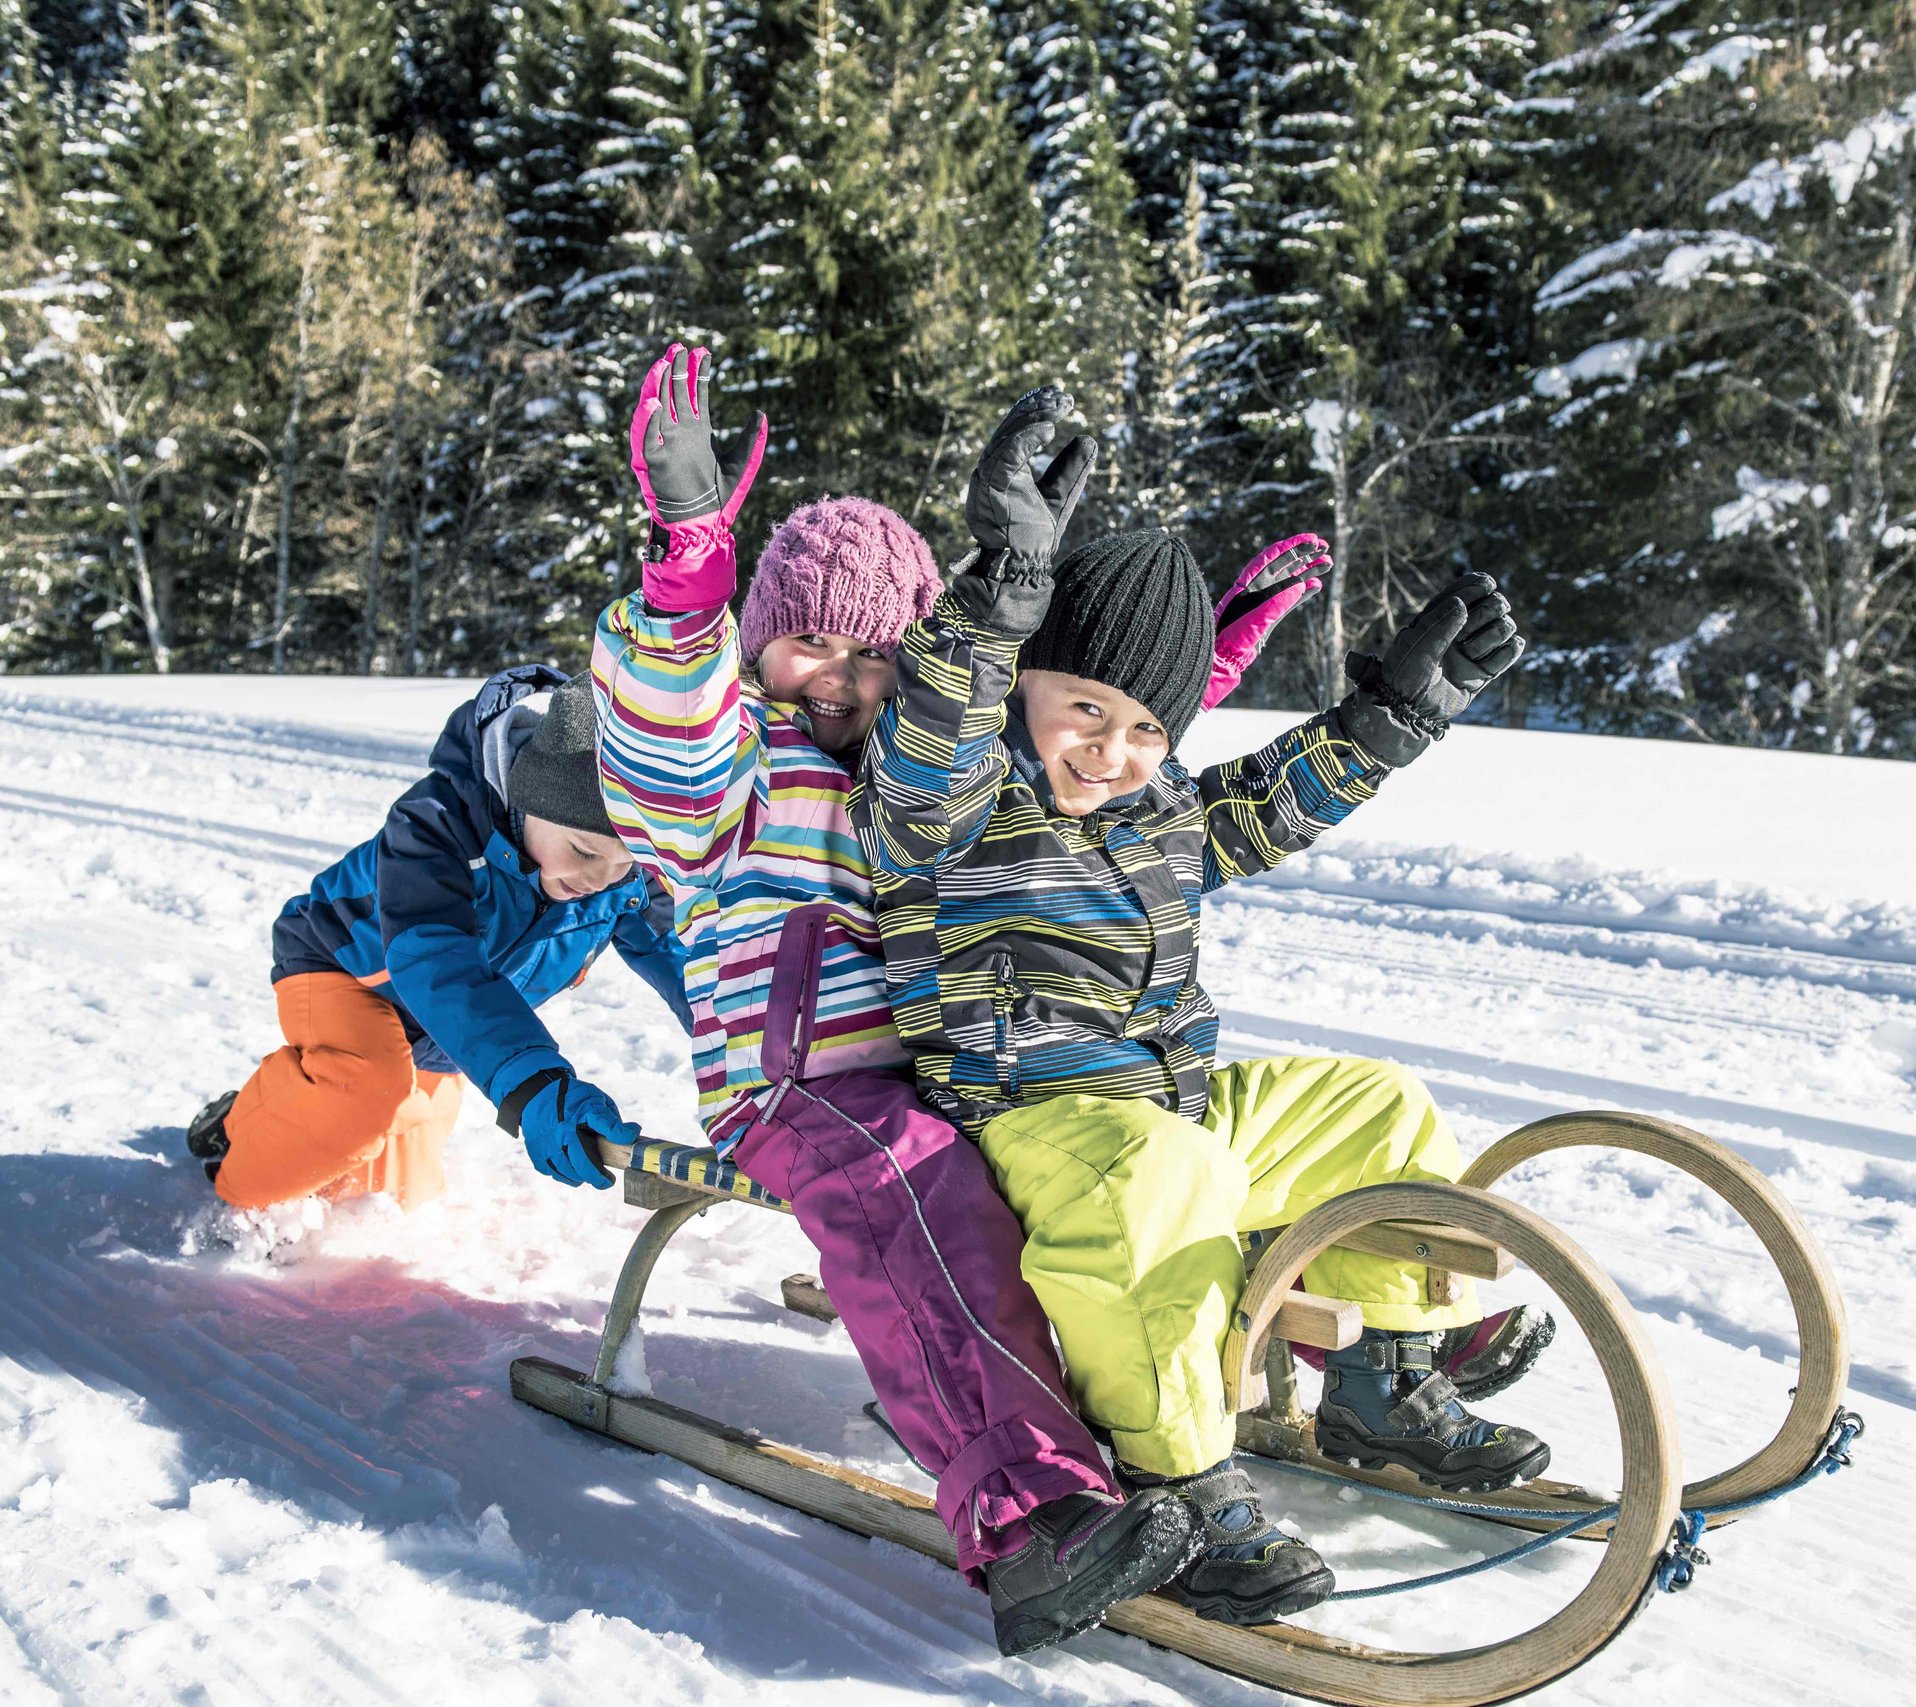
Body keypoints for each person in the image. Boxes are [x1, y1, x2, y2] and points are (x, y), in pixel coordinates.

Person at [852, 386, 1553, 1629]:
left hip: (1167, 1110)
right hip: (1021, 1128)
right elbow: (930, 738)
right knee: (1157, 1180)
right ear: (1025, 688)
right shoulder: (953, 801)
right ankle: (1177, 1475)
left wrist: (1391, 719)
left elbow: (1268, 801)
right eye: (1082, 708)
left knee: (1379, 1108)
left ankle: (1380, 1375)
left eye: (1141, 729)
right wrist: (1005, 588)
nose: (1107, 750)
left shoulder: (1158, 810)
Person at [587, 343, 1201, 1657]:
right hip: (800, 1088)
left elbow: (1065, 748)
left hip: (949, 1068)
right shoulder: (736, 771)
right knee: (916, 1187)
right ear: (760, 648)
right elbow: (659, 746)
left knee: (1103, 1158)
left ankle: (1175, 1411)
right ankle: (1030, 1515)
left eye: (876, 649)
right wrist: (691, 566)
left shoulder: (929, 771)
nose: (843, 675)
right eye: (808, 637)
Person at [186, 666, 690, 1211]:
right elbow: (439, 964)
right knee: (362, 1094)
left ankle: (286, 1110)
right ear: (531, 799)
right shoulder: (436, 825)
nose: (599, 879)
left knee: (388, 1196)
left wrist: (753, 1053)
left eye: (626, 863)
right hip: (346, 970)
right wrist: (537, 1083)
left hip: (441, 1023)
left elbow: (687, 960)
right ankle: (235, 1170)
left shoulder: (620, 879)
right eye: (585, 852)